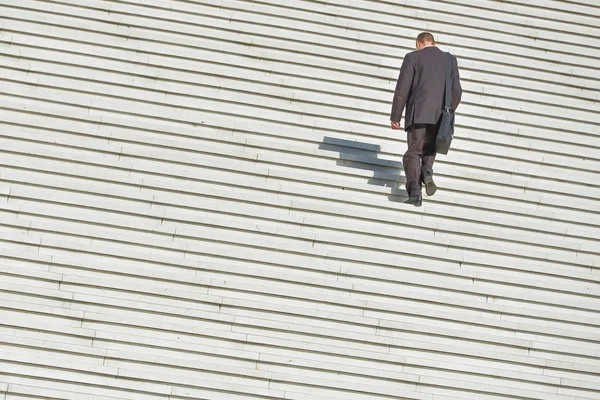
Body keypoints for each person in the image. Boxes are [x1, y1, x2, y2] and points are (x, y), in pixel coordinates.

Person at [390, 32, 462, 207]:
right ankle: (427, 171)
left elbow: (402, 89)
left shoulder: (412, 58)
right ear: (434, 42)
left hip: (418, 112)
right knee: (430, 148)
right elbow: (457, 91)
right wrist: (448, 112)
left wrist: (396, 116)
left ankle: (415, 191)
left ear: (418, 43)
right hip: (441, 115)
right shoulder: (450, 60)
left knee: (414, 152)